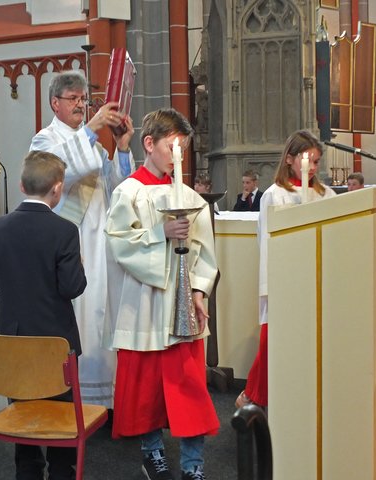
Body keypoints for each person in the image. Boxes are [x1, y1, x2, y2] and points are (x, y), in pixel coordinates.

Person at [105, 108, 219, 480]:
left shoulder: (190, 196)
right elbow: (119, 244)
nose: (177, 155)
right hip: (144, 303)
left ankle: (193, 464)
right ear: (149, 144)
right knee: (147, 392)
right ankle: (152, 453)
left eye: (183, 148)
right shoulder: (128, 191)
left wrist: (199, 291)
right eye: (172, 147)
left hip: (182, 307)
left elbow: (204, 251)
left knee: (190, 389)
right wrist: (161, 234)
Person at [30, 70, 135, 408]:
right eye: (72, 98)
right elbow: (58, 173)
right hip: (69, 240)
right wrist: (91, 129)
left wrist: (122, 148)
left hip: (100, 241)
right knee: (80, 317)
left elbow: (117, 189)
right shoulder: (44, 140)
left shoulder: (93, 146)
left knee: (102, 314)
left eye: (82, 99)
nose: (79, 104)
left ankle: (105, 398)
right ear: (55, 103)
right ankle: (74, 396)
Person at [0, 150, 87, 480]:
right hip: (55, 342)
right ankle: (61, 472)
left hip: (14, 339)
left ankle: (27, 472)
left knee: (22, 412)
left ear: (21, 185)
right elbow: (72, 287)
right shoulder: (65, 230)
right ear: (57, 188)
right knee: (61, 415)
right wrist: (79, 267)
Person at [235, 130, 336, 411]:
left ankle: (295, 399)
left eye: (316, 161)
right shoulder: (274, 195)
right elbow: (266, 242)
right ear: (289, 159)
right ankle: (252, 396)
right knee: (272, 343)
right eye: (306, 160)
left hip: (317, 278)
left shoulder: (325, 194)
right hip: (284, 282)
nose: (312, 167)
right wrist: (270, 287)